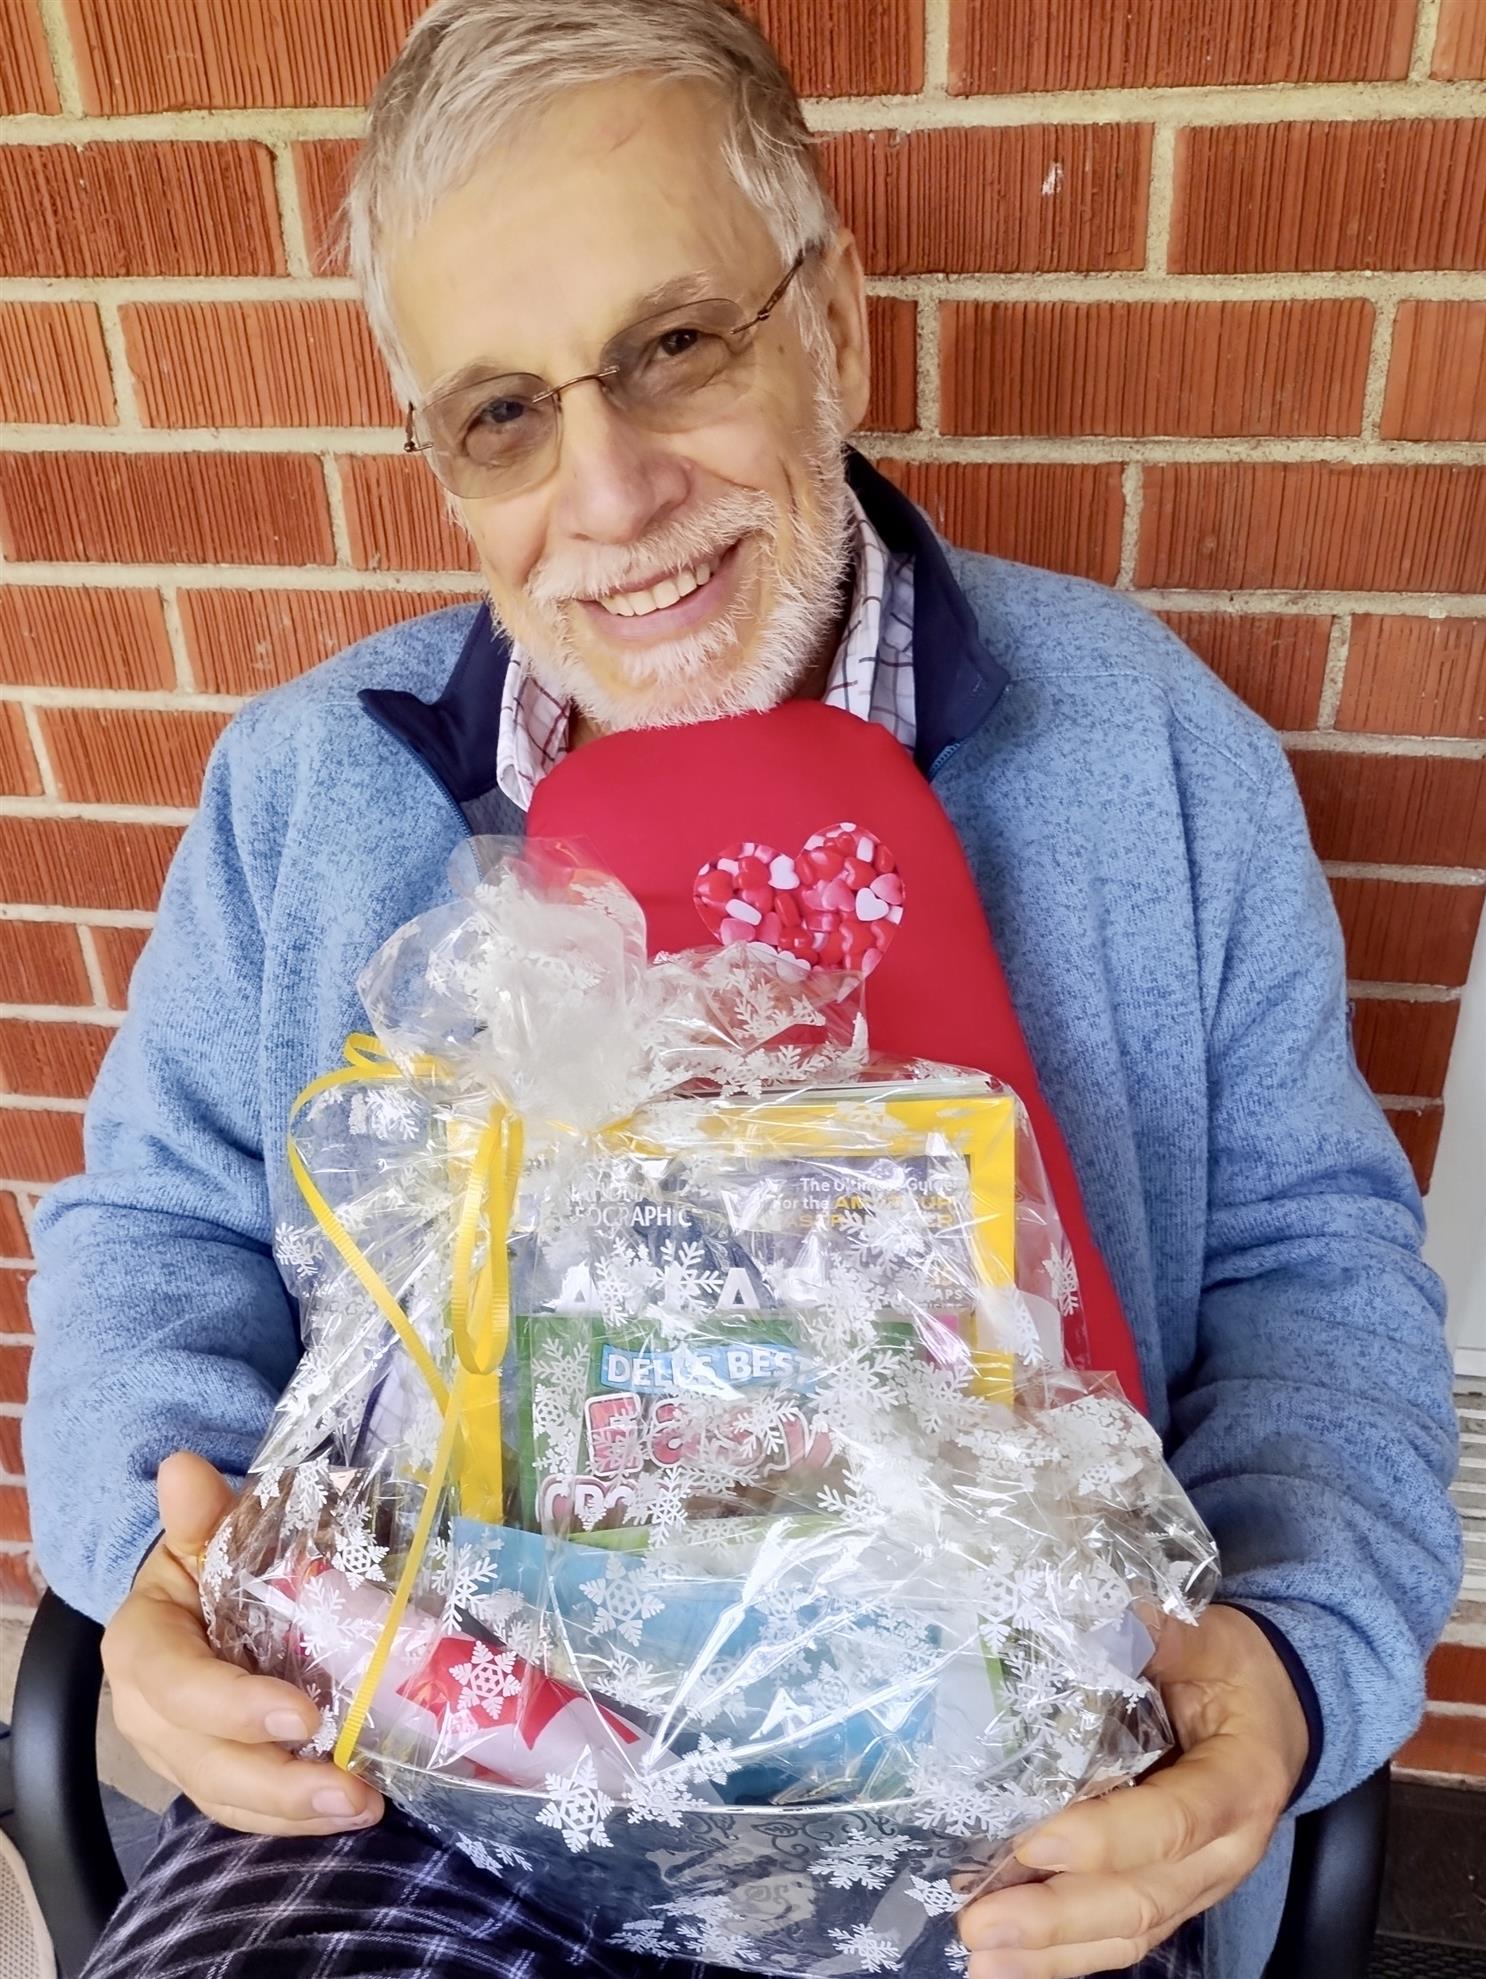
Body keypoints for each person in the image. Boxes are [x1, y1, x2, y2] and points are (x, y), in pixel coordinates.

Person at [22, 2, 1462, 1975]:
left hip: (1001, 1792)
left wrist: (1288, 1659)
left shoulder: (1154, 756)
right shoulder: (301, 793)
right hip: (434, 1777)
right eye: (504, 413)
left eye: (674, 348)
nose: (610, 493)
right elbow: (150, 1240)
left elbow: (1317, 1284)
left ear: (833, 323)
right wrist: (151, 1557)